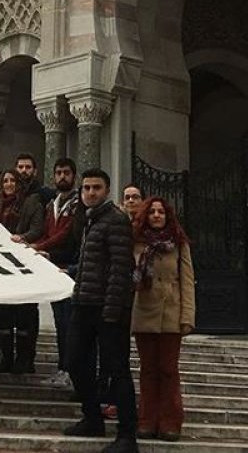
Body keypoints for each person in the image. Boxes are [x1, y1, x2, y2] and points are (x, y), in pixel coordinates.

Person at [64, 167, 137, 453]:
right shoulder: (89, 221)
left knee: (117, 370)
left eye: (96, 188)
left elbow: (121, 269)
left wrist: (112, 311)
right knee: (74, 362)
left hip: (107, 309)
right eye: (86, 188)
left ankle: (127, 435)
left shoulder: (116, 220)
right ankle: (92, 418)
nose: (90, 192)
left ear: (106, 190)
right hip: (84, 303)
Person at [131, 197, 195, 442]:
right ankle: (146, 419)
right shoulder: (135, 242)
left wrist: (187, 316)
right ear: (145, 215)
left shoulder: (178, 243)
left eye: (161, 212)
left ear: (168, 216)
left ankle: (170, 421)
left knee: (168, 369)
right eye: (152, 212)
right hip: (144, 311)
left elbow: (187, 280)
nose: (157, 215)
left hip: (171, 312)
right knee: (147, 369)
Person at [32, 157, 83, 386]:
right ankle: (63, 368)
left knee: (70, 323)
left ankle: (72, 370)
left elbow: (66, 233)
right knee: (60, 323)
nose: (62, 177)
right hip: (53, 268)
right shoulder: (51, 204)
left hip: (68, 267)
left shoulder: (77, 204)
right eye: (58, 173)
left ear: (74, 176)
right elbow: (45, 230)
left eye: (66, 173)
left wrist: (41, 247)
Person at [0, 168, 44, 373]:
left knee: (25, 316)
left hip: (24, 265)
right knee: (3, 316)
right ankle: (6, 357)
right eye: (5, 181)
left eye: (13, 180)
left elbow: (37, 229)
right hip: (3, 267)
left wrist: (22, 238)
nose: (9, 184)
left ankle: (25, 359)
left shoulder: (31, 203)